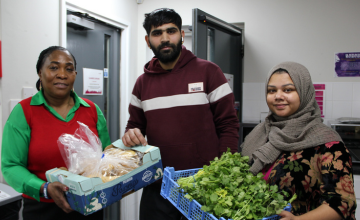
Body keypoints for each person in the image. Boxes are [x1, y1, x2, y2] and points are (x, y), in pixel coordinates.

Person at [121, 8, 239, 220]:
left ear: (182, 35)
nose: (165, 38)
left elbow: (228, 126)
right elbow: (133, 127)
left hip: (204, 188)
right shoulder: (142, 83)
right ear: (148, 41)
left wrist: (222, 174)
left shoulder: (209, 72)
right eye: (157, 33)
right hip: (158, 189)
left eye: (171, 31)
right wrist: (130, 135)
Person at [1, 46, 111, 220]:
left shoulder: (92, 110)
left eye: (69, 69)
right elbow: (10, 165)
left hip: (90, 205)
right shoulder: (24, 112)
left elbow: (106, 156)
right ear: (40, 72)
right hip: (42, 209)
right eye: (53, 67)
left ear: (75, 74)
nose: (62, 74)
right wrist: (44, 188)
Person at [241, 61, 357, 220]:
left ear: (304, 92)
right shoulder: (260, 133)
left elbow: (343, 203)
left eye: (288, 90)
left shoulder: (328, 144)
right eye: (271, 90)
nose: (278, 96)